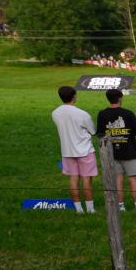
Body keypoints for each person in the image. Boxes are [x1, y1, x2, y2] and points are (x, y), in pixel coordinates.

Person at [96, 88, 136, 212]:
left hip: (112, 152)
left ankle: (121, 206)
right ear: (120, 99)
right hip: (130, 152)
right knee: (133, 179)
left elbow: (100, 133)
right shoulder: (128, 113)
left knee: (118, 179)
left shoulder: (102, 114)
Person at [51, 86, 98, 214]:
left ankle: (78, 209)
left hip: (67, 151)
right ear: (74, 96)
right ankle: (90, 209)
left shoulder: (55, 113)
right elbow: (93, 131)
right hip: (85, 150)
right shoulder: (82, 114)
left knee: (73, 179)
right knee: (86, 179)